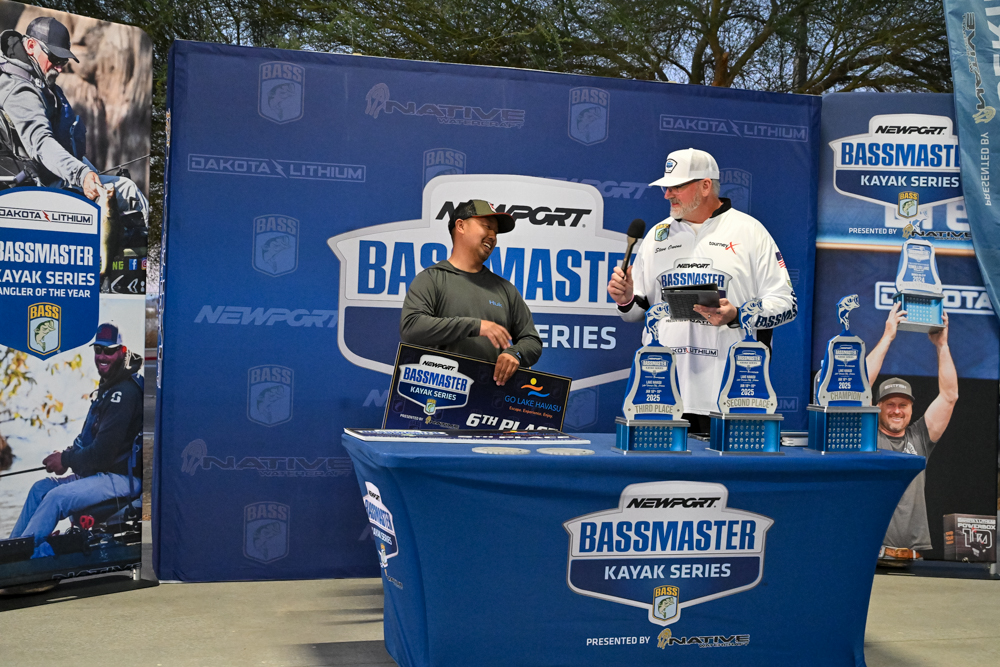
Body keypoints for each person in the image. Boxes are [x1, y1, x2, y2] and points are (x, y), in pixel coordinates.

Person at [607, 148, 797, 430]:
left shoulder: (751, 232)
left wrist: (738, 315)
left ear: (706, 185)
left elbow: (787, 305)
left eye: (676, 187)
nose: (667, 195)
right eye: (666, 187)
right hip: (662, 394)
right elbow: (638, 313)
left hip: (732, 395)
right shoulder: (657, 236)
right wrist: (626, 300)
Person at [8, 322, 143, 557]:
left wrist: (66, 459)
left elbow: (102, 455)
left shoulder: (124, 392)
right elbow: (91, 441)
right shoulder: (109, 386)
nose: (102, 356)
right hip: (100, 473)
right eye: (98, 349)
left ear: (122, 352)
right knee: (40, 489)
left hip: (121, 477)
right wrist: (67, 455)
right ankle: (11, 550)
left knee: (56, 498)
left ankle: (25, 557)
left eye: (109, 350)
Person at [0, 16, 148, 222]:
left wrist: (91, 174)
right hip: (33, 191)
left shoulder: (39, 82)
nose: (60, 67)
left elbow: (63, 144)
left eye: (63, 61)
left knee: (122, 191)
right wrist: (81, 175)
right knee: (129, 193)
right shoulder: (18, 89)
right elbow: (41, 144)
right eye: (54, 57)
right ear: (31, 46)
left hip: (55, 178)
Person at [400, 199, 541, 386]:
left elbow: (531, 340)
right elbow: (411, 328)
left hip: (490, 396)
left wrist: (516, 354)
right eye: (487, 226)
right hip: (440, 395)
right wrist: (476, 326)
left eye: (496, 232)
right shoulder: (431, 279)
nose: (492, 236)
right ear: (461, 226)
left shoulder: (506, 289)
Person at [865, 304, 958, 563]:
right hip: (871, 556)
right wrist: (888, 336)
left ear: (911, 409)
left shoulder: (919, 438)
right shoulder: (865, 436)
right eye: (890, 404)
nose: (897, 410)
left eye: (903, 405)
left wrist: (942, 346)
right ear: (877, 407)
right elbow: (857, 388)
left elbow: (949, 396)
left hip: (914, 558)